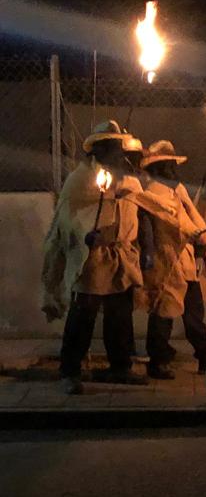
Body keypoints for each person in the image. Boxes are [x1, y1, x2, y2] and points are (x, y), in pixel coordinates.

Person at [42, 121, 150, 393]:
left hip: (121, 254)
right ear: (99, 149)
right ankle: (70, 372)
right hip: (93, 256)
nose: (119, 154)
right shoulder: (80, 179)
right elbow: (68, 215)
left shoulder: (129, 179)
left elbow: (144, 211)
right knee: (83, 314)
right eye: (114, 148)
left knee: (120, 313)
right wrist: (85, 235)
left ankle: (120, 367)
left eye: (120, 148)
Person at [139, 140, 206, 379]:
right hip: (165, 261)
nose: (174, 171)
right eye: (169, 166)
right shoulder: (150, 195)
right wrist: (149, 254)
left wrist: (201, 246)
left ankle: (205, 357)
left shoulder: (177, 191)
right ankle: (157, 361)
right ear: (158, 168)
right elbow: (151, 227)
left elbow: (194, 218)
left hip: (186, 262)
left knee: (193, 314)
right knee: (163, 312)